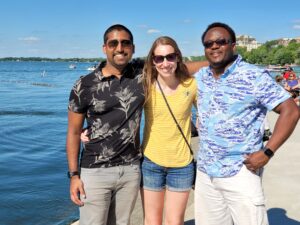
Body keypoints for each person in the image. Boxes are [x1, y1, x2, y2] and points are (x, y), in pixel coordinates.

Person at [67, 24, 207, 225]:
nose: (120, 48)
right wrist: (73, 175)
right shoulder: (85, 85)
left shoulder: (141, 74)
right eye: (113, 43)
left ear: (132, 47)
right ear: (104, 48)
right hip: (95, 169)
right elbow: (72, 132)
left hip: (131, 168)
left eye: (125, 43)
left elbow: (181, 67)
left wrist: (219, 60)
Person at [194, 22, 300, 225]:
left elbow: (291, 110)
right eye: (209, 44)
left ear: (233, 45)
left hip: (241, 171)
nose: (214, 46)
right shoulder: (202, 76)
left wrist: (268, 152)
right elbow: (182, 67)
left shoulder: (253, 76)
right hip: (207, 173)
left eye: (220, 42)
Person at [141, 36, 197, 225]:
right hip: (151, 162)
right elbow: (121, 114)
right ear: (153, 61)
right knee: (152, 221)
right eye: (159, 58)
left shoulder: (191, 85)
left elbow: (211, 115)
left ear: (178, 58)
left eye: (170, 57)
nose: (165, 63)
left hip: (182, 165)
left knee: (175, 221)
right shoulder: (145, 86)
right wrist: (91, 129)